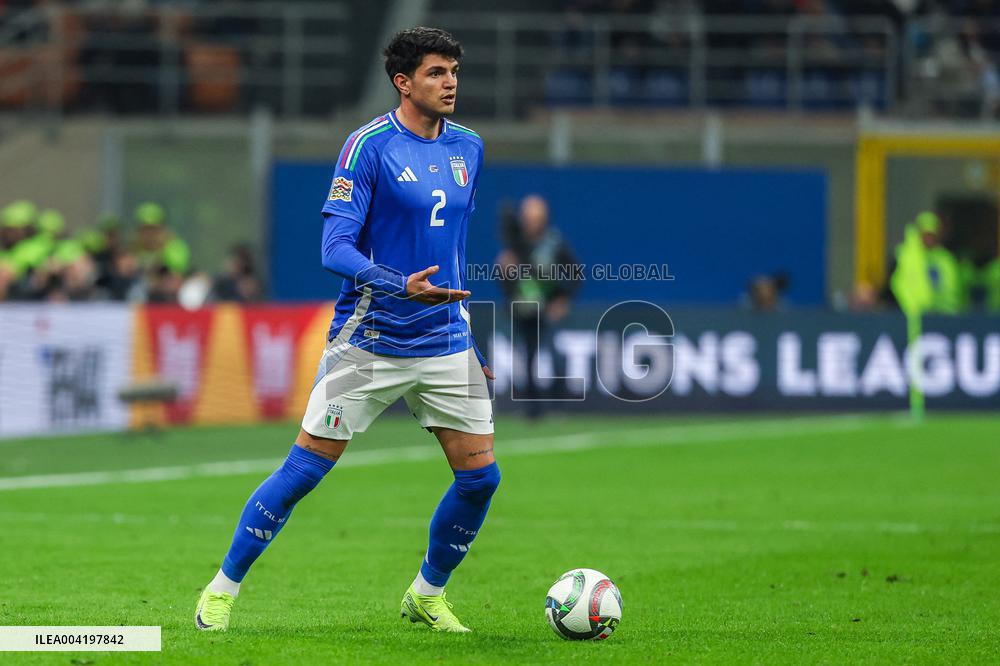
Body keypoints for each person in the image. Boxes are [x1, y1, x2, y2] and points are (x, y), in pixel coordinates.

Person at [195, 27, 498, 634]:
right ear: (403, 82)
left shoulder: (470, 147)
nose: (451, 83)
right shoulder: (367, 147)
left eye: (454, 72)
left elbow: (455, 251)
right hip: (370, 339)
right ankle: (221, 590)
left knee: (480, 479)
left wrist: (466, 339)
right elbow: (334, 248)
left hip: (443, 340)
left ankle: (426, 594)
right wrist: (397, 283)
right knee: (305, 471)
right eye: (437, 73)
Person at [497, 194, 581, 417]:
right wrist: (504, 272)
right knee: (527, 359)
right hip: (522, 309)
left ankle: (558, 406)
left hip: (546, 308)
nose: (530, 222)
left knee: (554, 354)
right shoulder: (515, 246)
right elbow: (505, 276)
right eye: (527, 217)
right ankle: (532, 409)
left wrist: (562, 300)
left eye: (535, 217)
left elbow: (576, 274)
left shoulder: (553, 243)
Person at [890, 211, 964, 315]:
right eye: (925, 234)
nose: (929, 238)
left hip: (943, 314)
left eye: (932, 234)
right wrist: (909, 306)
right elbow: (896, 284)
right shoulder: (905, 256)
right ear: (918, 233)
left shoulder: (946, 259)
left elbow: (953, 288)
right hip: (913, 315)